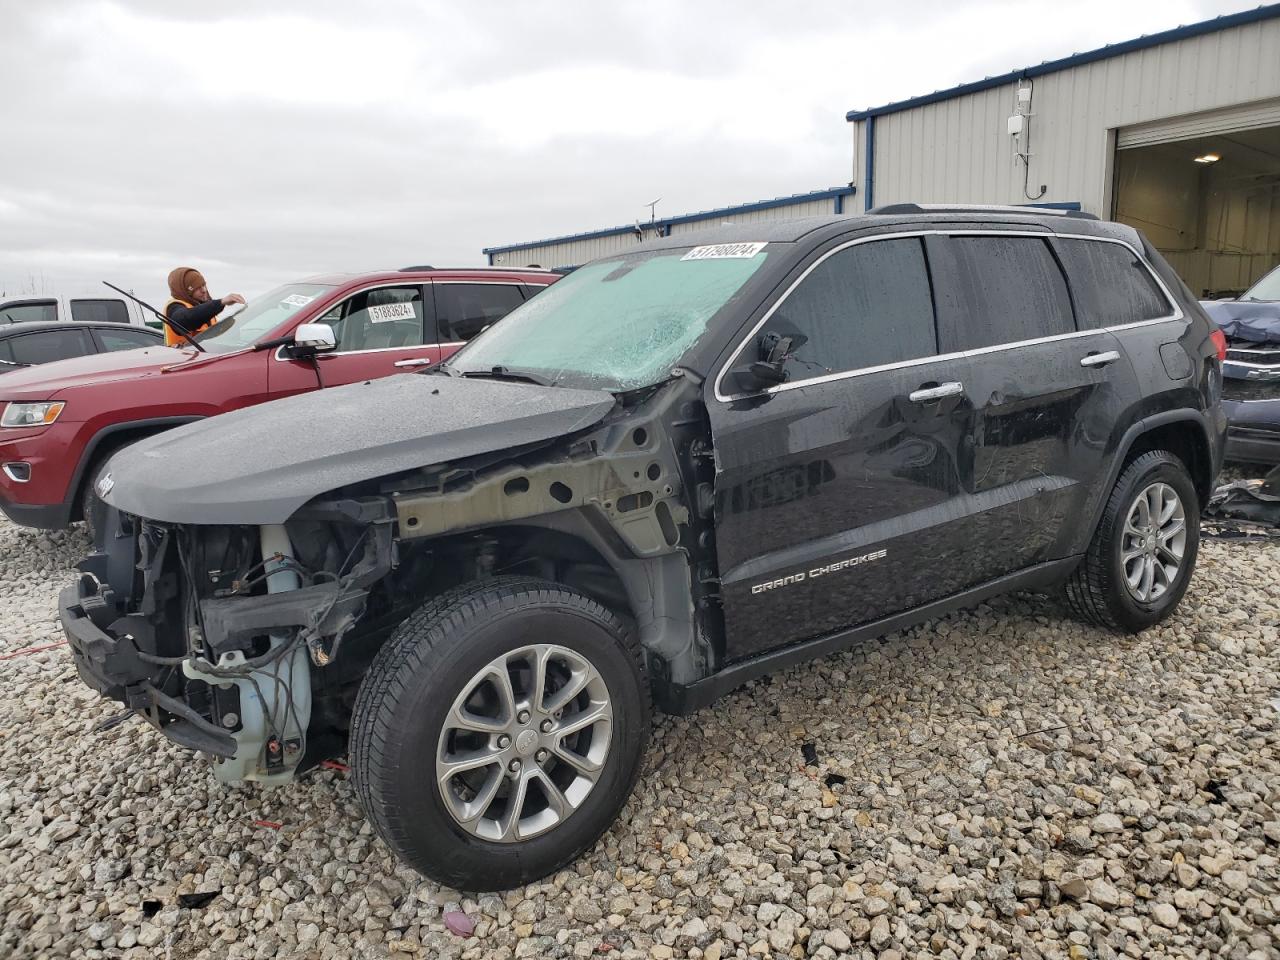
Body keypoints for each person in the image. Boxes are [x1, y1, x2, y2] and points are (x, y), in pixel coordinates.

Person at [163, 267, 245, 346]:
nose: (204, 290)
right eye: (197, 288)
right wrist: (221, 302)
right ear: (186, 291)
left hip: (208, 357)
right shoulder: (174, 307)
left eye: (204, 285)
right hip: (183, 358)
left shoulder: (207, 308)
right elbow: (185, 319)